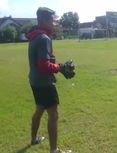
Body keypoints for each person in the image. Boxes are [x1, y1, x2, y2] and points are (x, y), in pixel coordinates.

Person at [27, 7, 75, 153]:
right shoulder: (44, 38)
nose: (54, 23)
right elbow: (43, 65)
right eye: (52, 20)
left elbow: (42, 62)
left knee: (39, 109)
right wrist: (59, 68)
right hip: (44, 82)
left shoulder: (35, 36)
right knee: (53, 115)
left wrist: (57, 66)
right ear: (43, 21)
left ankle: (34, 139)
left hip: (35, 81)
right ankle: (54, 150)